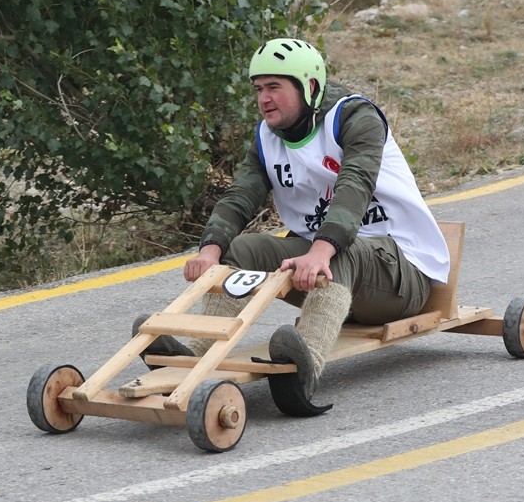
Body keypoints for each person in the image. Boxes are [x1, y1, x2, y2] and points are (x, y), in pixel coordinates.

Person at [141, 38, 450, 413]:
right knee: (240, 250)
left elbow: (355, 186)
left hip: (402, 273)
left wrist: (321, 250)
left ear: (310, 87)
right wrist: (210, 252)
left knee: (339, 254)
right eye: (258, 89)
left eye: (275, 87)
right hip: (326, 274)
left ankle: (306, 370)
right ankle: (193, 355)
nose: (264, 99)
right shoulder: (266, 137)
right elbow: (240, 196)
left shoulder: (355, 118)